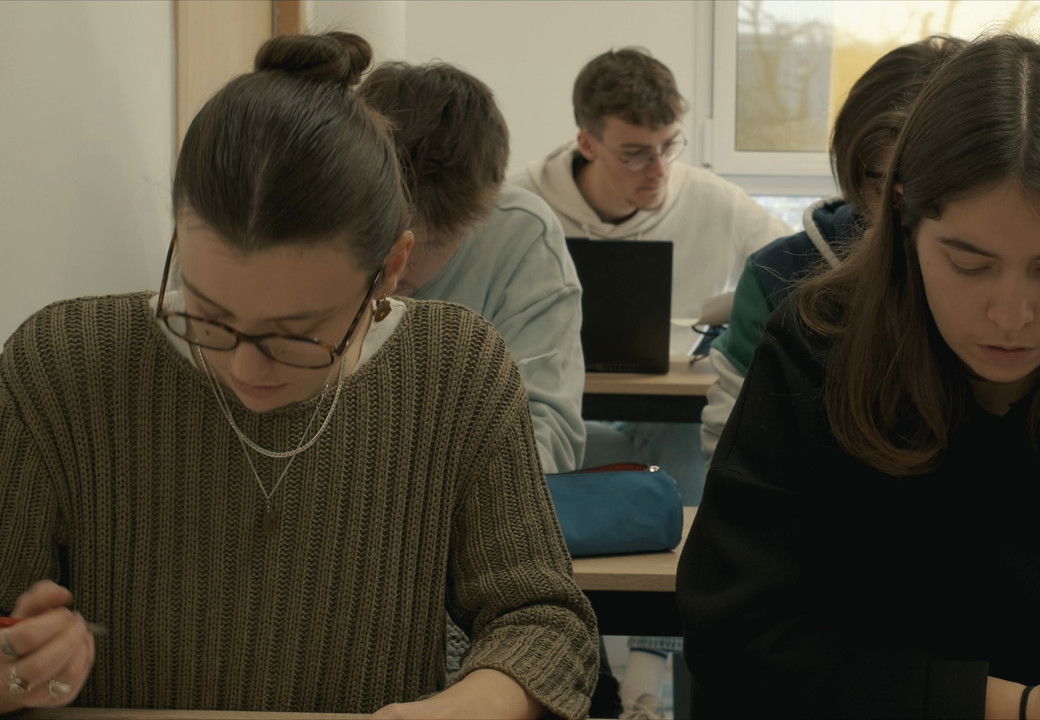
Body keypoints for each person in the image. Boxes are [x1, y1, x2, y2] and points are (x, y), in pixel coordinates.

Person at [677, 33, 1040, 719]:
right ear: (902, 219)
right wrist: (1012, 708)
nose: (1012, 315)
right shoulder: (815, 359)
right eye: (969, 264)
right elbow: (736, 635)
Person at [0, 32, 598, 719]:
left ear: (391, 269)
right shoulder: (62, 363)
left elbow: (545, 622)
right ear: (177, 241)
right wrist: (19, 664)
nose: (246, 368)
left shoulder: (455, 370)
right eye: (210, 315)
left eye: (297, 334)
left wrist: (465, 705)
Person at [511, 46, 790, 507]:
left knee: (687, 446)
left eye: (669, 146)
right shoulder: (521, 206)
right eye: (636, 155)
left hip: (673, 411)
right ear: (587, 144)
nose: (659, 169)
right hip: (551, 403)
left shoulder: (715, 201)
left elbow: (797, 273)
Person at [700, 35, 967, 457]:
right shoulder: (778, 277)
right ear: (856, 172)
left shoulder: (1020, 275)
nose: (912, 218)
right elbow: (735, 454)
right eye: (886, 187)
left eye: (940, 189)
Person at [358, 61, 586, 475]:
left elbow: (546, 429)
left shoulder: (522, 235)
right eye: (381, 237)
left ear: (483, 213)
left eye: (431, 244)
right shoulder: (309, 221)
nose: (397, 268)